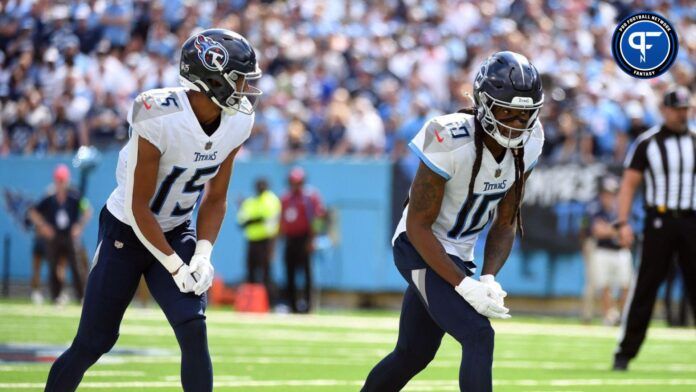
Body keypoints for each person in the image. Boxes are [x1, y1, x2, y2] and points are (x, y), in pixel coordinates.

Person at [44, 28, 262, 391]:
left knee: (193, 327)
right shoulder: (158, 114)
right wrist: (175, 265)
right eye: (238, 79)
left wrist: (203, 255)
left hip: (177, 228)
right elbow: (138, 205)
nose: (244, 89)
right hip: (127, 231)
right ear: (212, 78)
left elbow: (215, 198)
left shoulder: (238, 122)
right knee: (93, 343)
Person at [362, 51, 544, 392]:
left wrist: (488, 276)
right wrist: (464, 284)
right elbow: (417, 226)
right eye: (508, 110)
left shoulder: (530, 143)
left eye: (526, 113)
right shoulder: (448, 137)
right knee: (478, 334)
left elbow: (505, 221)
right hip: (418, 247)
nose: (517, 122)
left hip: (458, 254)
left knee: (413, 354)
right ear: (484, 103)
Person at [613, 86, 696, 371]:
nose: (682, 114)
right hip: (658, 221)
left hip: (691, 221)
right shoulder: (647, 142)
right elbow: (628, 185)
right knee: (645, 287)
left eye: (686, 109)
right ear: (664, 110)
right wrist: (623, 222)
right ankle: (625, 352)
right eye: (677, 109)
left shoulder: (695, 141)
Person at [28, 164, 90, 305]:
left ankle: (82, 297)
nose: (60, 183)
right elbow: (33, 212)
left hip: (69, 236)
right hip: (54, 236)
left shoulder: (75, 196)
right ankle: (56, 296)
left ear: (67, 180)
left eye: (63, 180)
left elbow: (87, 210)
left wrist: (78, 226)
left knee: (77, 267)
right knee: (53, 266)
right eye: (58, 180)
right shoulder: (49, 197)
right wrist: (43, 226)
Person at [588, 176, 633, 326]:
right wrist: (616, 231)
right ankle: (609, 316)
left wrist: (610, 230)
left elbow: (628, 236)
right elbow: (597, 231)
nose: (608, 197)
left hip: (620, 252)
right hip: (603, 250)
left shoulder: (622, 210)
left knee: (625, 285)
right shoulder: (596, 209)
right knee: (605, 285)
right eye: (606, 194)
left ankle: (623, 316)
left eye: (611, 193)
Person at [279, 167, 325, 313]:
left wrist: (313, 239)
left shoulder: (310, 197)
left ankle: (308, 306)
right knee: (290, 273)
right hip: (290, 239)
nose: (295, 185)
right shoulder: (285, 198)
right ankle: (292, 305)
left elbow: (318, 218)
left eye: (298, 182)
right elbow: (281, 219)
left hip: (305, 238)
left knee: (306, 273)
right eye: (293, 182)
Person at [237, 178, 281, 303]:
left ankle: (269, 302)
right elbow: (242, 222)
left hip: (266, 240)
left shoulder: (271, 199)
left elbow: (268, 220)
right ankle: (251, 302)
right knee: (251, 271)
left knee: (266, 272)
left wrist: (252, 221)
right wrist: (255, 220)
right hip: (252, 241)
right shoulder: (250, 201)